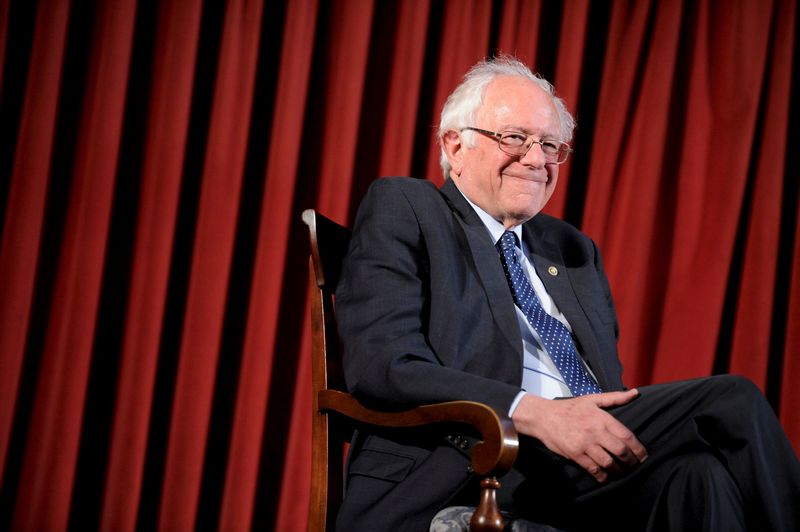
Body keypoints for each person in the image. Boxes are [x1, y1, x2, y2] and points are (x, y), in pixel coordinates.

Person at [333, 55, 800, 531]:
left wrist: (574, 424)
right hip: (474, 460)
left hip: (572, 470)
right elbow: (384, 366)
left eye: (551, 145)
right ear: (456, 145)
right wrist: (533, 413)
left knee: (701, 474)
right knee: (730, 400)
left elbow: (606, 389)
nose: (536, 160)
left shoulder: (572, 249)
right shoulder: (409, 207)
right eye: (514, 138)